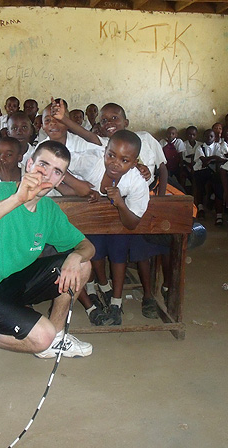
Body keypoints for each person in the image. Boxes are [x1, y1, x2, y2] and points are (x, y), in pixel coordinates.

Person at [0, 140, 95, 383]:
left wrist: (75, 256)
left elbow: (87, 246)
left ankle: (56, 339)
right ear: (29, 164)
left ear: (60, 181)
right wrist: (17, 199)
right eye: (43, 165)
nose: (47, 174)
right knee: (40, 337)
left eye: (57, 171)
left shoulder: (49, 210)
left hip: (11, 286)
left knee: (81, 265)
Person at [65, 130, 152, 324]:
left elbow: (132, 223)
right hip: (88, 219)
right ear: (104, 151)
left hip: (119, 224)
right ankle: (100, 287)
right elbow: (59, 162)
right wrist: (80, 188)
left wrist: (120, 203)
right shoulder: (91, 162)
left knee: (119, 247)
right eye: (111, 155)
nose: (115, 163)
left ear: (135, 162)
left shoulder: (137, 181)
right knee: (91, 248)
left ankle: (116, 301)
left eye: (124, 160)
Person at [192, 129, 225, 222]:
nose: (209, 138)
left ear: (215, 138)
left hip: (214, 171)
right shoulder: (200, 148)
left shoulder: (217, 146)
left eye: (211, 136)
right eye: (207, 136)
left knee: (219, 186)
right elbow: (204, 161)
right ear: (203, 137)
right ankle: (200, 208)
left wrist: (209, 159)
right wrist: (213, 158)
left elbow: (220, 159)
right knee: (200, 187)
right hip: (200, 170)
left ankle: (219, 214)